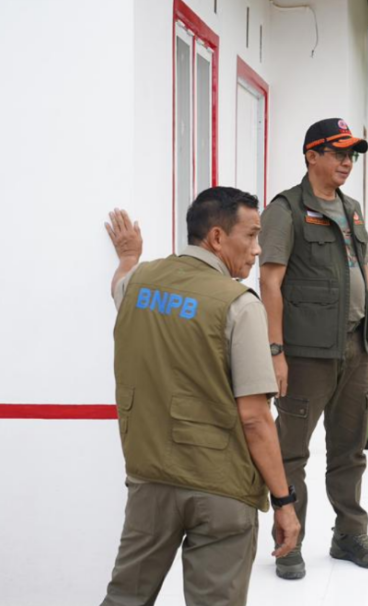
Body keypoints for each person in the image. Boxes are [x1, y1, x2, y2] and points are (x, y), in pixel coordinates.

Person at [100, 187, 300, 606]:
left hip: (150, 481)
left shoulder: (139, 283)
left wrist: (128, 257)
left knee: (124, 598)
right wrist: (284, 501)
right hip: (219, 492)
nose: (258, 249)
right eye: (251, 235)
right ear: (216, 238)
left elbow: (119, 286)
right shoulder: (239, 306)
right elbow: (254, 418)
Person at [258, 118, 368, 580]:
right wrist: (275, 352)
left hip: (352, 349)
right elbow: (269, 281)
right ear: (312, 155)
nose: (347, 162)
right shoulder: (286, 210)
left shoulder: (352, 209)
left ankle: (349, 533)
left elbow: (365, 276)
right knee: (291, 451)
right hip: (306, 354)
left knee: (350, 448)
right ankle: (288, 539)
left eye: (352, 154)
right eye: (338, 152)